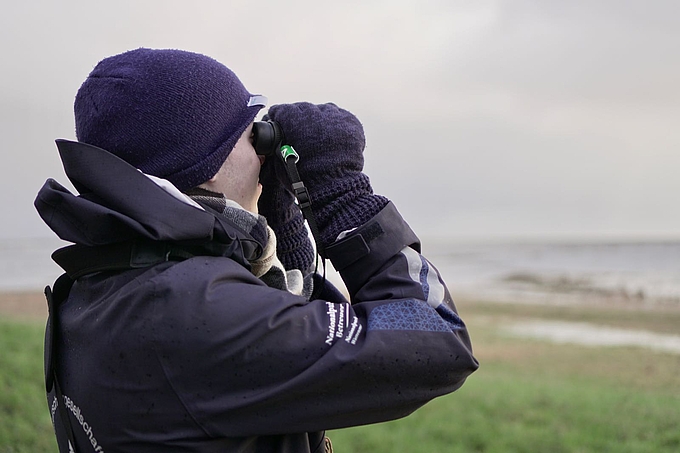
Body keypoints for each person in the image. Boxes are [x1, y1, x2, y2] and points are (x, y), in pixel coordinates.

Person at [35, 48, 478, 453]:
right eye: (252, 136)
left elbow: (280, 343)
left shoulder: (103, 281)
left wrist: (278, 221)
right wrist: (347, 198)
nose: (263, 152)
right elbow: (436, 339)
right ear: (204, 165)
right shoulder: (191, 307)